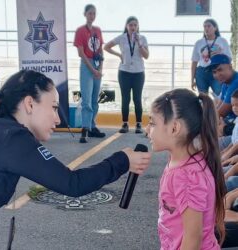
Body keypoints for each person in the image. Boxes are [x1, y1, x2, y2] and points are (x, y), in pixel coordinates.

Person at [0, 70, 151, 213]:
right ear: (30, 104)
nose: (58, 119)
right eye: (54, 107)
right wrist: (123, 160)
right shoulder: (12, 139)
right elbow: (73, 184)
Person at [146, 88, 226, 249]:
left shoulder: (187, 176)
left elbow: (192, 239)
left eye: (153, 123)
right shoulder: (184, 162)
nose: (147, 129)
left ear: (174, 128)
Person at [104, 16, 149, 134]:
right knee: (125, 98)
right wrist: (119, 55)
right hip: (124, 72)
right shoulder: (122, 38)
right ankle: (125, 124)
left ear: (138, 26)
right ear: (126, 26)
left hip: (138, 72)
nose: (133, 27)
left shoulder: (143, 38)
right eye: (130, 25)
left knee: (137, 98)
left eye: (135, 25)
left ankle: (139, 124)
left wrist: (139, 44)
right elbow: (106, 47)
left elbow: (146, 56)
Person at [74, 4, 105, 143]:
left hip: (97, 65)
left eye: (94, 13)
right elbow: (81, 53)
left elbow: (100, 50)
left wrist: (100, 69)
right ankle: (85, 129)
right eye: (90, 13)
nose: (92, 16)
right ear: (85, 14)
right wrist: (92, 69)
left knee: (94, 99)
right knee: (86, 99)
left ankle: (92, 126)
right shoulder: (80, 31)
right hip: (87, 66)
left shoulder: (98, 30)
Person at [191, 19, 232, 95]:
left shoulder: (222, 41)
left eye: (209, 26)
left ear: (215, 28)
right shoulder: (199, 43)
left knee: (219, 96)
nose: (206, 28)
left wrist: (228, 75)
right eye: (204, 26)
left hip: (217, 71)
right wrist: (192, 80)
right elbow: (194, 62)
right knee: (203, 98)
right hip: (201, 72)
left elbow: (229, 59)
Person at [208, 54, 238, 137]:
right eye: (214, 72)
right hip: (230, 123)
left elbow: (221, 113)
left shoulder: (236, 82)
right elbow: (218, 106)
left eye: (220, 70)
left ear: (230, 67)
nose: (217, 75)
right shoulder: (226, 82)